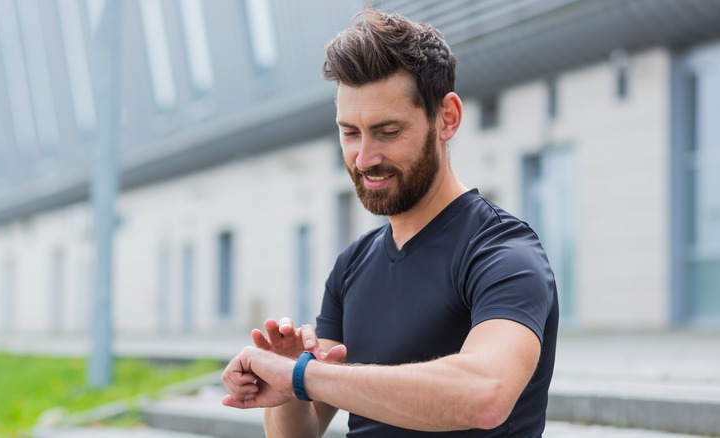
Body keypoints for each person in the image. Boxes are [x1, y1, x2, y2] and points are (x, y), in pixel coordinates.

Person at [221, 7, 559, 437]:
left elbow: (485, 395)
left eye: (388, 131)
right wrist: (288, 379)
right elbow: (297, 434)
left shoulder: (503, 252)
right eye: (350, 133)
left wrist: (305, 377)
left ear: (447, 118)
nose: (364, 158)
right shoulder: (352, 266)